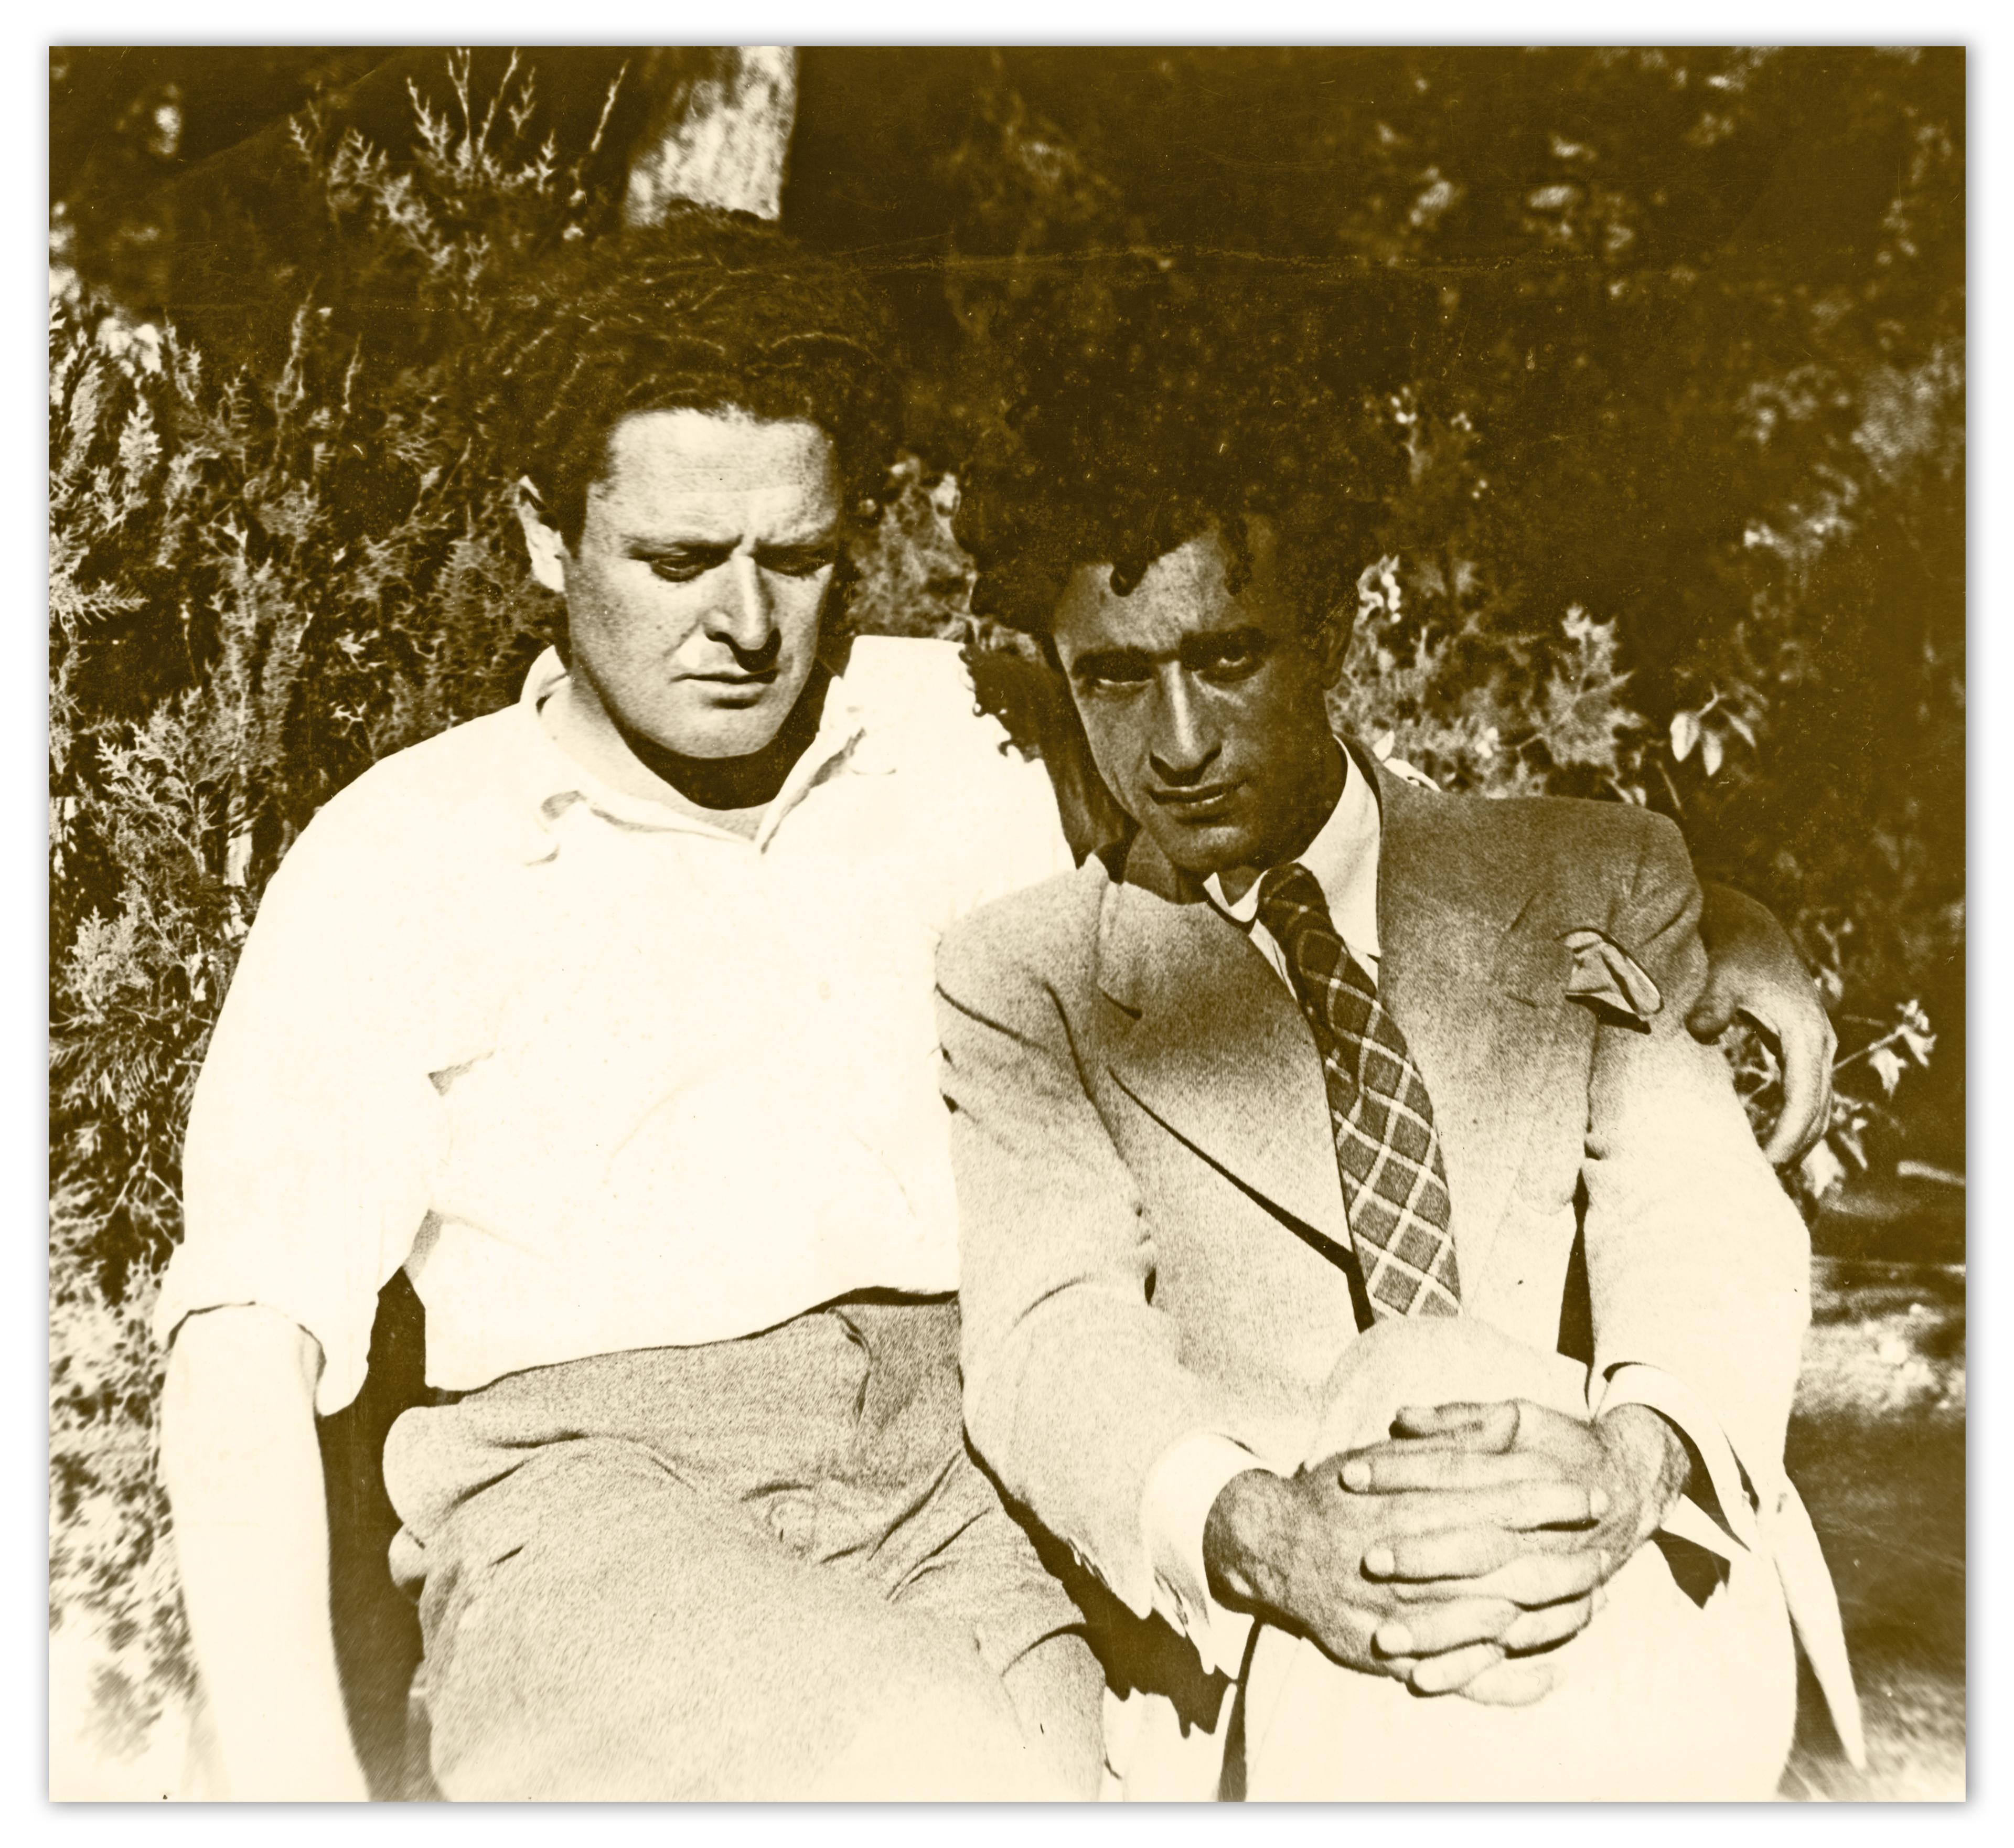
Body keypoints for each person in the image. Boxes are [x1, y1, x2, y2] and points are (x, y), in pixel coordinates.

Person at [157, 206, 1835, 1802]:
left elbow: (1278, 785)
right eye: (676, 559)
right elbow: (240, 1352)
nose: (745, 622)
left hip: (956, 1481)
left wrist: (1725, 923)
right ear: (544, 533)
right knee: (917, 1767)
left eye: (796, 556)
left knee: (1074, 1772)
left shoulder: (973, 727)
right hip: (597, 1485)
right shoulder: (401, 852)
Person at [935, 440, 1863, 1798]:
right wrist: (1266, 1536)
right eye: (1115, 678)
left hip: (1613, 1564)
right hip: (1287, 1620)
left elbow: (1696, 1205)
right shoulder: (1029, 976)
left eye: (1229, 658)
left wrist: (1628, 1465)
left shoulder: (1591, 872)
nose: (1177, 745)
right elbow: (1052, 1326)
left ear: (1333, 630)